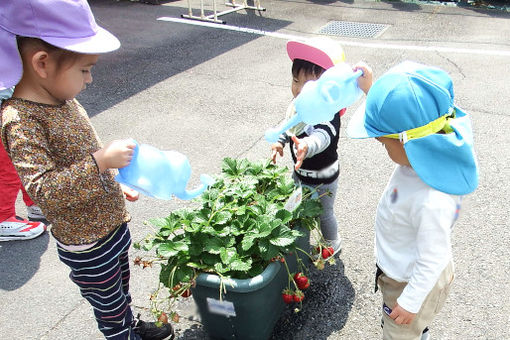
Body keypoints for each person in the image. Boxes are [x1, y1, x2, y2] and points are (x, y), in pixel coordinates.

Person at [0, 1, 174, 339]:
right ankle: (121, 334)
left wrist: (111, 179)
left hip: (110, 225)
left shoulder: (62, 100)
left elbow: (80, 155)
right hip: (86, 243)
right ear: (42, 63)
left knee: (120, 289)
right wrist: (101, 162)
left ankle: (129, 324)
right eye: (84, 69)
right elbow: (45, 192)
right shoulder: (20, 121)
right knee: (106, 304)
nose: (90, 78)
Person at [347, 61, 479, 340]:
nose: (380, 145)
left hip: (412, 283)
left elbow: (434, 258)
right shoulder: (426, 155)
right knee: (411, 326)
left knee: (399, 332)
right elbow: (403, 116)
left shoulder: (432, 200)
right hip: (403, 269)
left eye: (384, 143)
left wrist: (409, 302)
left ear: (409, 143)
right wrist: (371, 90)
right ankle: (419, 330)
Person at [270, 38, 372, 257]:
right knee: (293, 206)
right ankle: (292, 239)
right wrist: (279, 141)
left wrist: (307, 144)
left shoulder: (328, 113)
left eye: (306, 85)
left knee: (324, 213)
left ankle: (332, 242)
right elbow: (288, 126)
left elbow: (322, 137)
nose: (298, 89)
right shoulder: (298, 106)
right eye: (295, 80)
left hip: (324, 177)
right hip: (300, 174)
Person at [0, 87, 47, 241]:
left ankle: (34, 204)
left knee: (22, 157)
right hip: (5, 107)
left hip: (12, 103)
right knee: (8, 166)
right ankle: (3, 218)